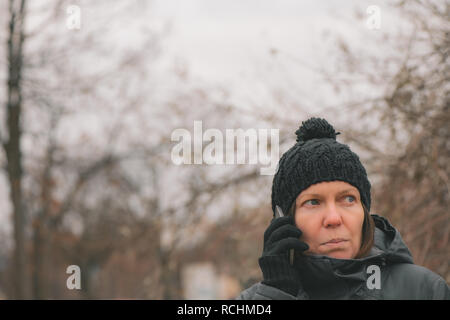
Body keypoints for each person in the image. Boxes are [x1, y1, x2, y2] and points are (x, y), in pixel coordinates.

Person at [237, 117, 449, 300]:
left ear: (364, 211)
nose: (333, 218)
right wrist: (278, 294)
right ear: (284, 219)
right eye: (313, 202)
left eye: (348, 199)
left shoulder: (424, 290)